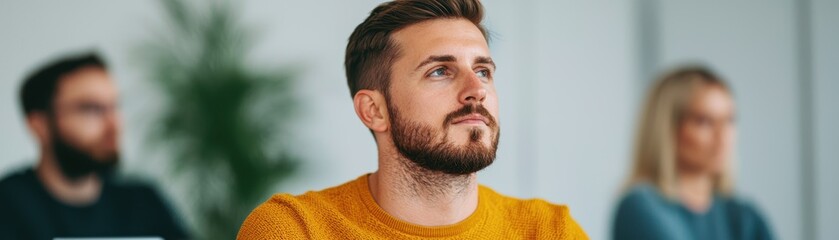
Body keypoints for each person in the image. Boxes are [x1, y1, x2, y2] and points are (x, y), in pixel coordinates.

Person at [237, 0, 588, 239]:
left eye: (483, 71)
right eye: (440, 71)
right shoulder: (295, 230)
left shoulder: (549, 230)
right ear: (373, 111)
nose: (476, 90)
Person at [0, 53, 188, 239]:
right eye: (91, 109)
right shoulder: (7, 205)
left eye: (114, 107)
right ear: (39, 125)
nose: (114, 125)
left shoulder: (142, 201)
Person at [612, 66, 774, 240]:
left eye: (729, 120)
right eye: (704, 122)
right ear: (668, 130)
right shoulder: (640, 207)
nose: (722, 137)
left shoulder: (744, 217)